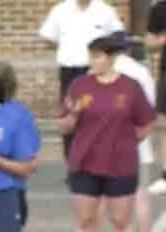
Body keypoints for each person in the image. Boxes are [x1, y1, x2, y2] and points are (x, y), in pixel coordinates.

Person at [63, 33, 154, 232]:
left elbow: (145, 123)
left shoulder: (130, 87)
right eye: (90, 56)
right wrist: (72, 115)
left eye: (97, 56)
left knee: (120, 221)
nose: (92, 61)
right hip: (85, 162)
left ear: (112, 57)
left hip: (120, 165)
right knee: (85, 220)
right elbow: (65, 126)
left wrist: (125, 142)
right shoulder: (79, 85)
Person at [45, 0, 128, 157]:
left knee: (97, 113)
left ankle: (97, 156)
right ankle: (72, 160)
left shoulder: (105, 11)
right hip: (69, 70)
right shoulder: (60, 10)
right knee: (70, 114)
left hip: (97, 72)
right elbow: (49, 38)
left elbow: (119, 39)